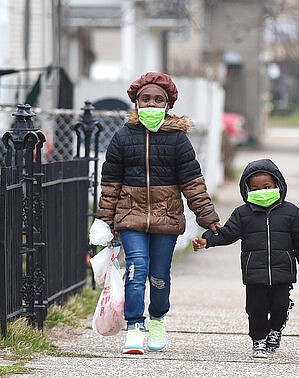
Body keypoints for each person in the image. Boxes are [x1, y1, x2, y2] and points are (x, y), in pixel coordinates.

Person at [96, 71, 220, 355]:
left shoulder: (177, 141)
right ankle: (135, 327)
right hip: (130, 217)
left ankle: (158, 319)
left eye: (157, 100)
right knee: (137, 269)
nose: (151, 105)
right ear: (136, 103)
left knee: (159, 276)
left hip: (167, 218)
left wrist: (207, 216)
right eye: (145, 100)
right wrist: (105, 221)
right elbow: (111, 185)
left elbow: (193, 183)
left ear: (168, 104)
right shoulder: (123, 138)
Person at [192, 159, 299, 358]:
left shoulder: (291, 212)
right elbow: (227, 234)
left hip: (282, 272)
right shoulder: (243, 214)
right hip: (254, 273)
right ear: (247, 190)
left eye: (267, 187)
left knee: (280, 306)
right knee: (256, 309)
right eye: (255, 188)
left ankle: (275, 330)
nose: (262, 192)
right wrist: (207, 240)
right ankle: (258, 340)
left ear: (278, 186)